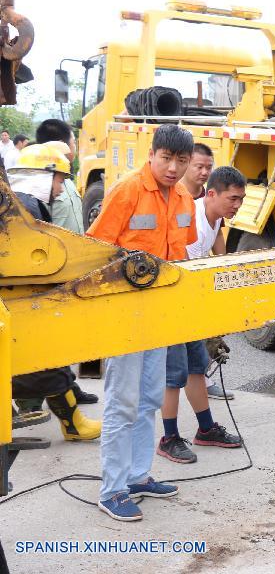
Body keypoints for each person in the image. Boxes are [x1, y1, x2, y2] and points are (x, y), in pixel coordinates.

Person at [86, 124, 197, 522]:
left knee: (149, 398)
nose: (172, 167)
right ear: (151, 155)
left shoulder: (184, 195)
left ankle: (137, 476)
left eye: (181, 161)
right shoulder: (128, 189)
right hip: (123, 313)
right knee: (122, 403)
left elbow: (182, 255)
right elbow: (95, 249)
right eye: (166, 158)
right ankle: (112, 489)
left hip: (159, 314)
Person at [7, 143, 102, 441]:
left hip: (20, 300)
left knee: (49, 361)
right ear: (43, 177)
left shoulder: (22, 205)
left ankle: (71, 424)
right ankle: (73, 425)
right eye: (60, 180)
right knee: (46, 362)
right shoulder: (27, 208)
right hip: (25, 301)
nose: (62, 189)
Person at [157, 166, 247, 464]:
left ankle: (206, 429)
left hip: (189, 305)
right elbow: (183, 273)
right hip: (171, 304)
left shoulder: (216, 216)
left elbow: (219, 261)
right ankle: (168, 438)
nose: (237, 205)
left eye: (240, 200)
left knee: (197, 367)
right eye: (232, 199)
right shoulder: (192, 220)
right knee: (174, 374)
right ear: (211, 194)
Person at [36, 120, 97, 406]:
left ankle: (72, 387)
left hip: (75, 265)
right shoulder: (40, 184)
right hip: (55, 269)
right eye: (73, 141)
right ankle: (54, 396)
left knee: (71, 335)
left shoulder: (66, 181)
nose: (74, 146)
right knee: (54, 337)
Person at [178, 143, 232, 400]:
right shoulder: (178, 197)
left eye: (208, 167)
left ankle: (201, 379)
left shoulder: (210, 196)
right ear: (186, 164)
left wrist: (225, 263)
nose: (203, 171)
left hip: (203, 273)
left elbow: (218, 228)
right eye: (198, 166)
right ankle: (190, 381)